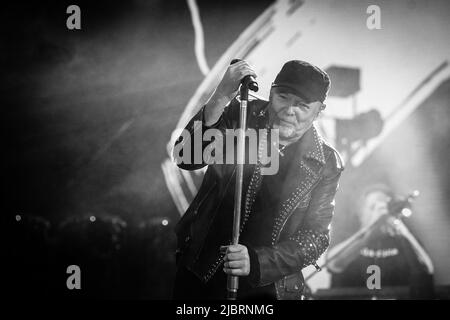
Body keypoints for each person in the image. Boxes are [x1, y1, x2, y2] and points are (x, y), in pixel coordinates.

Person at [172, 59, 344, 300]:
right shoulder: (241, 115)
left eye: (302, 105)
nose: (289, 111)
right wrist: (221, 96)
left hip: (269, 290)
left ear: (319, 111)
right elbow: (185, 157)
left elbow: (316, 237)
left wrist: (257, 261)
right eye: (283, 97)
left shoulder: (326, 162)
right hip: (202, 275)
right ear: (271, 91)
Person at [327, 184, 434, 298]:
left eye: (385, 207)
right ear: (361, 213)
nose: (380, 213)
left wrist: (400, 228)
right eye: (373, 207)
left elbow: (426, 271)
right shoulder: (346, 233)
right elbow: (333, 264)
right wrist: (368, 235)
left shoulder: (403, 235)